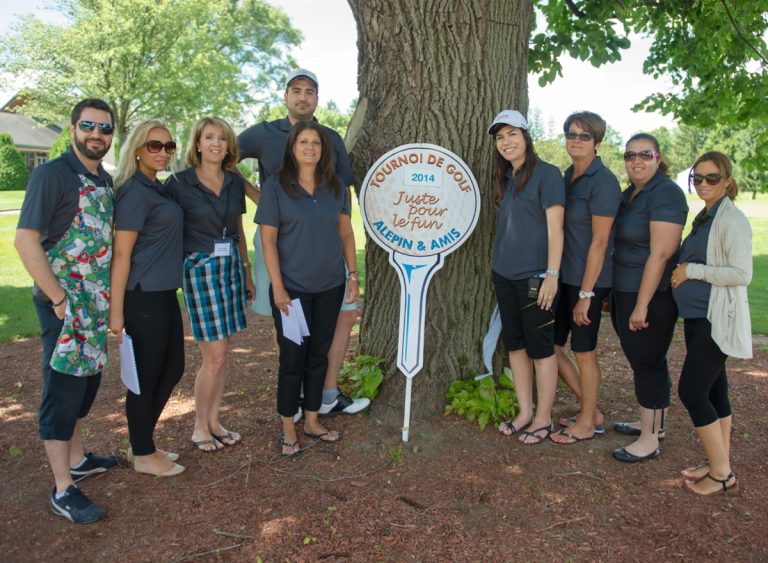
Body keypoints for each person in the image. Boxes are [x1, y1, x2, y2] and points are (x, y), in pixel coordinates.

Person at [238, 68, 369, 418]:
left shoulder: (327, 138)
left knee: (344, 314)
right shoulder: (264, 133)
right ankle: (294, 396)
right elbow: (221, 156)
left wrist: (352, 269)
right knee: (289, 321)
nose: (302, 97)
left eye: (309, 91)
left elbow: (343, 195)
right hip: (279, 240)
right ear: (285, 96)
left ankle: (325, 393)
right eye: (295, 90)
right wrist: (259, 198)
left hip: (325, 240)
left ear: (316, 99)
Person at [14, 99, 121, 523]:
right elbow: (25, 241)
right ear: (74, 128)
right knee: (61, 392)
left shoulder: (104, 180)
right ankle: (63, 487)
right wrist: (58, 298)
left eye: (105, 129)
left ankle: (78, 459)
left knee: (84, 386)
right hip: (65, 308)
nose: (97, 134)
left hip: (94, 307)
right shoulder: (51, 174)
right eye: (89, 126)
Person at [256, 120, 359, 455]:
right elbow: (268, 242)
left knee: (318, 355)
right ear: (293, 146)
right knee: (293, 359)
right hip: (293, 293)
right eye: (303, 142)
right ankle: (289, 429)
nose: (310, 148)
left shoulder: (335, 187)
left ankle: (313, 421)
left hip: (330, 286)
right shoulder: (275, 187)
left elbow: (345, 234)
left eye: (316, 142)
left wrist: (353, 275)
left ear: (323, 149)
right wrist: (278, 288)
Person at [167, 116, 255, 452]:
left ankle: (215, 420)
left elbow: (238, 227)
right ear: (198, 144)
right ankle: (199, 426)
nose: (216, 143)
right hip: (199, 269)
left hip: (230, 264)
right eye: (209, 137)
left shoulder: (233, 182)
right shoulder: (178, 183)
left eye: (222, 138)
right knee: (214, 355)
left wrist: (246, 270)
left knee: (224, 351)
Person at [671, 152, 751, 495]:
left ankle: (721, 474)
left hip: (715, 319)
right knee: (716, 390)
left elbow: (741, 273)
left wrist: (692, 271)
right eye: (697, 178)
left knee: (691, 390)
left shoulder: (731, 220)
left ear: (727, 181)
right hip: (697, 317)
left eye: (711, 178)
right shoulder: (706, 216)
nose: (703, 184)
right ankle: (719, 461)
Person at [109, 120, 185, 477]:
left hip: (164, 292)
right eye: (155, 145)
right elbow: (121, 255)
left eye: (169, 146)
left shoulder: (157, 188)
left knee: (172, 370)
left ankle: (141, 443)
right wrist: (116, 312)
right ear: (137, 148)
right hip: (142, 297)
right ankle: (141, 452)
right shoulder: (134, 193)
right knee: (149, 375)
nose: (163, 153)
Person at [489, 109, 565, 445]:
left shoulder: (548, 175)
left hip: (537, 278)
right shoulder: (503, 178)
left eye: (512, 134)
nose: (506, 142)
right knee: (515, 346)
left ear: (525, 136)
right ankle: (524, 412)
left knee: (541, 349)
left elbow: (556, 229)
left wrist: (552, 274)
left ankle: (544, 419)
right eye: (500, 137)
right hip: (504, 276)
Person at [611, 133, 688, 463]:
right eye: (630, 155)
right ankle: (655, 424)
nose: (636, 161)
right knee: (647, 360)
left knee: (647, 363)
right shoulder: (633, 194)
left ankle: (649, 439)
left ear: (658, 158)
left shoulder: (667, 193)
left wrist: (641, 304)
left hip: (651, 295)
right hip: (626, 288)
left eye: (644, 154)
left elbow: (660, 254)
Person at [550, 112, 622, 444]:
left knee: (584, 352)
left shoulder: (603, 181)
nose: (576, 140)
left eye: (584, 135)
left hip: (587, 283)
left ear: (597, 141)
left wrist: (587, 293)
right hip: (563, 278)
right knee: (550, 347)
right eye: (571, 134)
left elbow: (600, 242)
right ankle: (590, 410)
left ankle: (586, 423)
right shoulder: (567, 175)